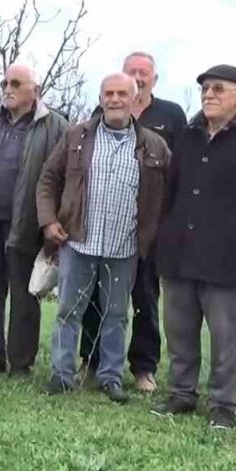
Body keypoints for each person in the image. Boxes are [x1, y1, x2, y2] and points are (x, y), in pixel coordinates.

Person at [152, 65, 236, 430]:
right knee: (179, 331)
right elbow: (171, 193)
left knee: (225, 338)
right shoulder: (190, 136)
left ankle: (223, 404)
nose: (209, 95)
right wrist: (163, 240)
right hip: (179, 252)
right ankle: (182, 394)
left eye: (218, 89)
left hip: (228, 258)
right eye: (205, 89)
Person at [36, 72, 171, 403]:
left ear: (135, 99)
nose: (114, 99)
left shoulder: (154, 145)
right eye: (108, 93)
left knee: (116, 315)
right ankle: (62, 374)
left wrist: (155, 237)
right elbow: (47, 180)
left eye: (122, 93)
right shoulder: (76, 136)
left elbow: (169, 195)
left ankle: (110, 376)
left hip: (124, 247)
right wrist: (48, 221)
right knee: (69, 311)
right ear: (100, 98)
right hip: (78, 241)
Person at [80, 51, 188, 393]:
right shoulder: (102, 114)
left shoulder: (170, 115)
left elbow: (180, 172)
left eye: (144, 72)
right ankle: (91, 360)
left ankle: (144, 368)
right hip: (103, 226)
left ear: (154, 79)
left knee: (145, 299)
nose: (138, 77)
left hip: (148, 229)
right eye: (132, 72)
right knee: (96, 298)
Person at [0, 62, 68, 377]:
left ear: (34, 90)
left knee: (24, 293)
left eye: (15, 83)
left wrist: (52, 220)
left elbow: (61, 177)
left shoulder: (55, 126)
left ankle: (20, 363)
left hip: (26, 222)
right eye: (5, 83)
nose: (7, 89)